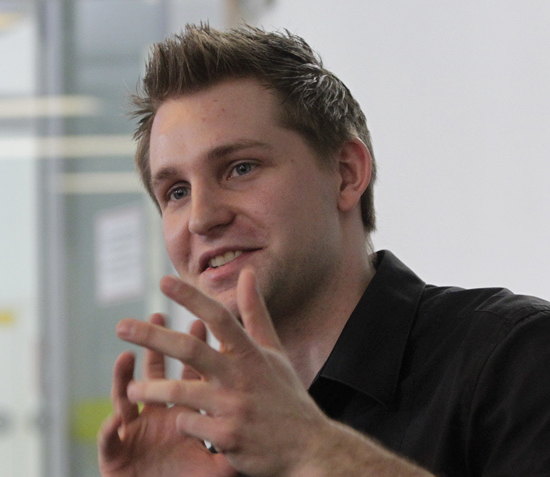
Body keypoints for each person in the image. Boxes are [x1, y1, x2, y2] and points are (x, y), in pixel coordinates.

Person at [97, 23, 550, 476]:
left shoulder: (516, 356)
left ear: (346, 173)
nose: (201, 217)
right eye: (176, 192)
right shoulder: (202, 438)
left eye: (240, 168)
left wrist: (312, 451)